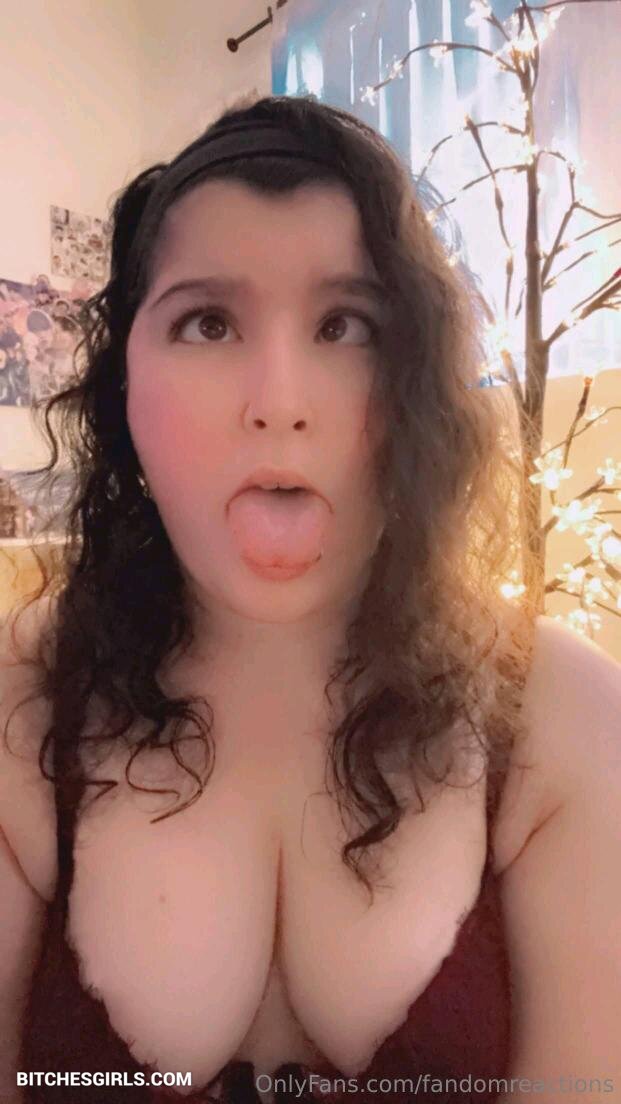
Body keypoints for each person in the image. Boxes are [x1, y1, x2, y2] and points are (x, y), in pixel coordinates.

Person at [1, 93, 620, 1104]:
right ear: (123, 391)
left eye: (345, 324)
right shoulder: (20, 710)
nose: (279, 401)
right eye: (207, 322)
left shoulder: (566, 718)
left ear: (419, 380)